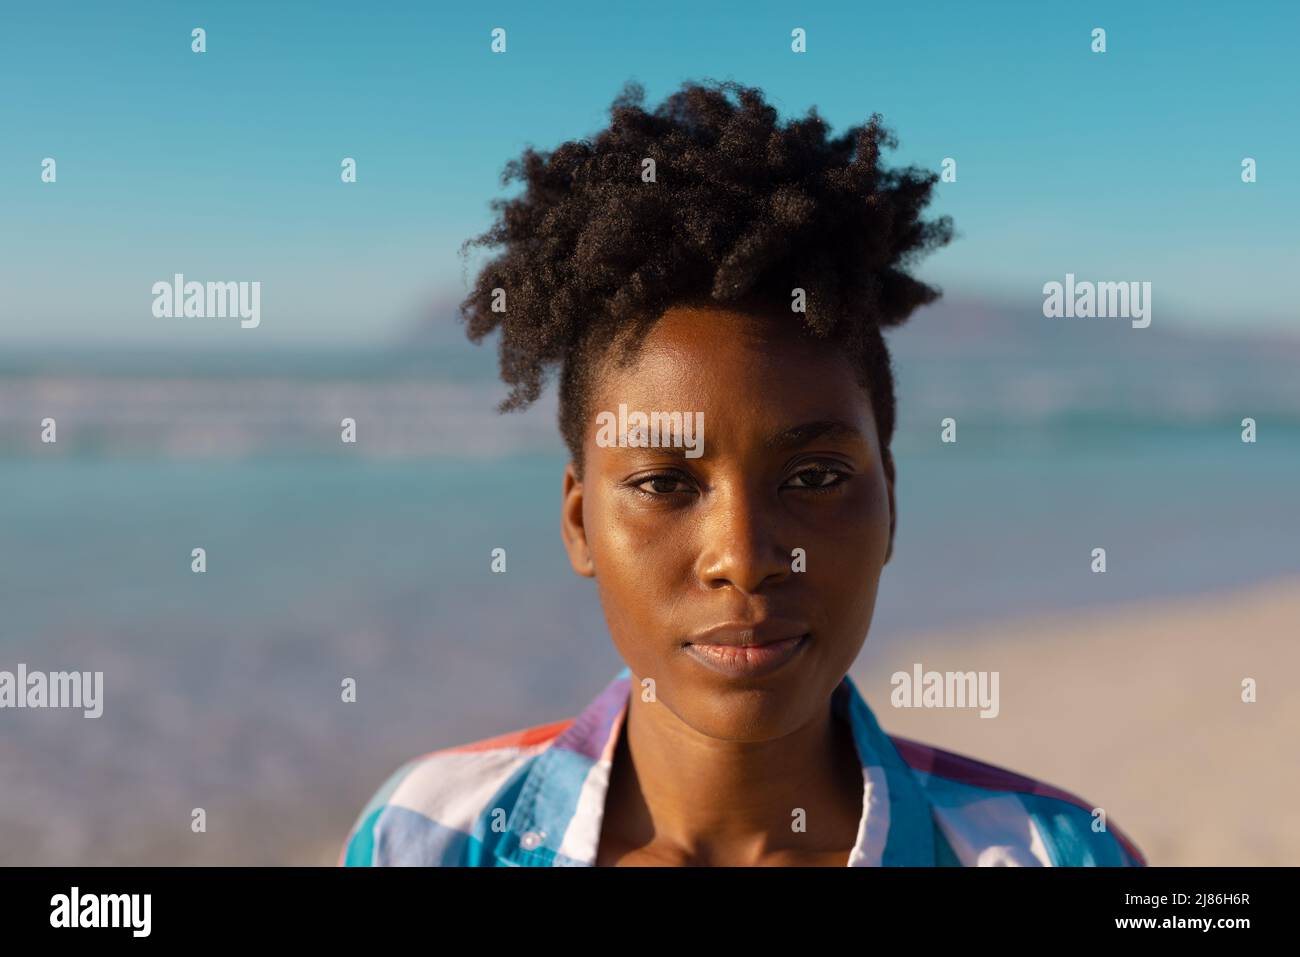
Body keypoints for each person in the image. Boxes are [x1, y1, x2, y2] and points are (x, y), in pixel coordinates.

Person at [340, 78, 1146, 867]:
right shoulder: (425, 837)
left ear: (890, 505)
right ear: (581, 522)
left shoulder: (1056, 852)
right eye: (665, 483)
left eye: (815, 476)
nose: (746, 554)